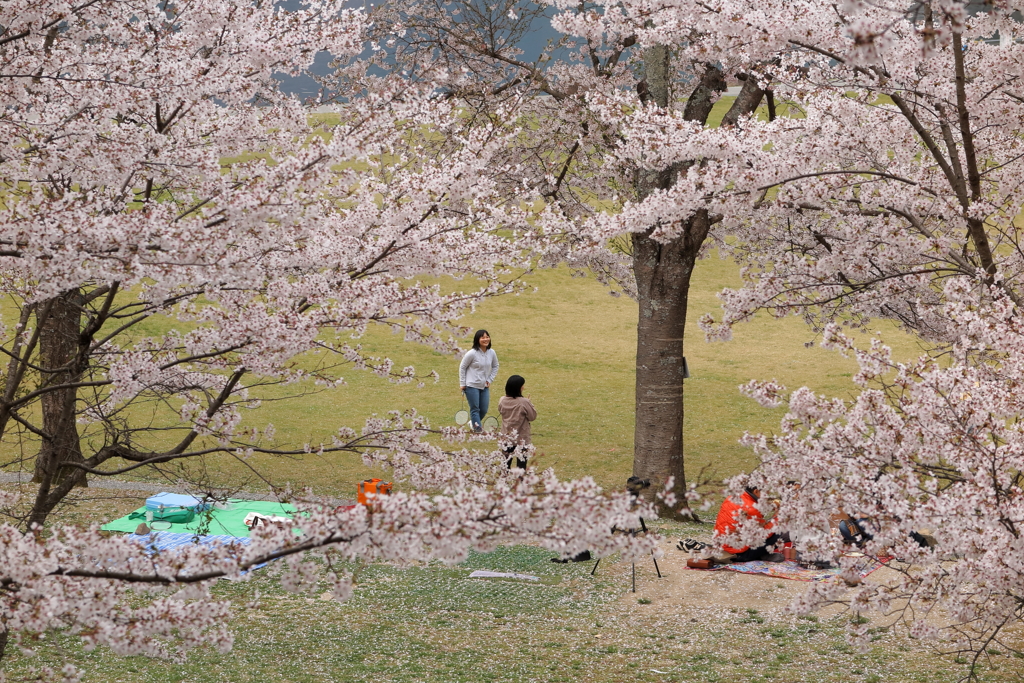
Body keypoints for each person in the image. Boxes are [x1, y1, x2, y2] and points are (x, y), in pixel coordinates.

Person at [713, 486, 785, 563]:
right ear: (756, 491)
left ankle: (760, 554)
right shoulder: (753, 508)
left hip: (722, 546)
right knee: (781, 531)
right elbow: (764, 533)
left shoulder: (732, 497)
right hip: (739, 553)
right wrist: (778, 516)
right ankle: (758, 555)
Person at [459, 329, 499, 432]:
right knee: (475, 409)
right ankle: (478, 430)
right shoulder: (472, 353)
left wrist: (490, 379)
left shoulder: (491, 352)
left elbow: (495, 366)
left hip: (484, 386)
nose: (486, 339)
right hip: (471, 385)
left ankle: (473, 423)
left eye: (487, 337)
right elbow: (462, 367)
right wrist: (462, 384)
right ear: (477, 340)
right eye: (483, 337)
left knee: (484, 409)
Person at [498, 374, 536, 468]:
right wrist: (529, 404)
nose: (523, 387)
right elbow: (532, 417)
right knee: (521, 466)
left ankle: (504, 481)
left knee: (505, 465)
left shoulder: (502, 400)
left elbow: (501, 410)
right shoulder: (524, 402)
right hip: (521, 438)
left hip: (506, 437)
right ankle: (520, 482)